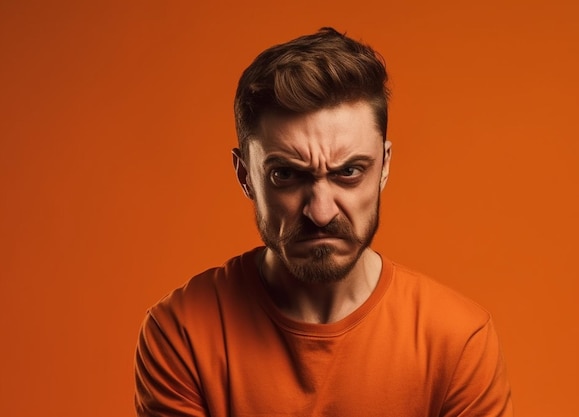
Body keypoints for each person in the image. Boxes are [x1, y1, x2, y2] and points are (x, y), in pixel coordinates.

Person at [134, 27, 513, 416]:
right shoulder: (182, 332)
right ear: (245, 174)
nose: (320, 212)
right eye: (286, 175)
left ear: (384, 166)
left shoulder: (458, 340)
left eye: (349, 171)